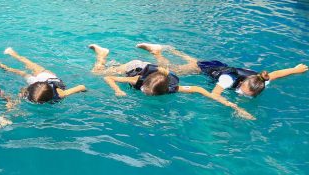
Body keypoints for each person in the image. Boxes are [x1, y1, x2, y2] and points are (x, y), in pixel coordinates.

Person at [88, 43, 254, 119]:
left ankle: (156, 51)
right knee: (98, 73)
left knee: (172, 69)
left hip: (153, 70)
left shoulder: (172, 87)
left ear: (164, 90)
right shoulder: (136, 80)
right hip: (136, 66)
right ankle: (102, 54)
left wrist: (234, 106)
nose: (145, 93)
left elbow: (199, 90)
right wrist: (118, 90)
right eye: (146, 91)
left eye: (148, 93)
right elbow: (109, 78)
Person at [129, 42, 308, 98]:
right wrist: (232, 107)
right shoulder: (227, 81)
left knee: (193, 62)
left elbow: (276, 74)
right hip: (211, 68)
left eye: (244, 94)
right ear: (242, 82)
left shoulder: (261, 80)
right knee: (174, 69)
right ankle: (158, 52)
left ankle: (170, 48)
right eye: (241, 91)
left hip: (218, 65)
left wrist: (296, 69)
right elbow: (215, 93)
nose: (240, 93)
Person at [0, 47, 86, 103]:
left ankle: (11, 55)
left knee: (27, 67)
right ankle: (2, 63)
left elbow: (81, 87)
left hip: (45, 78)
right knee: (24, 71)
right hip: (44, 79)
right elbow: (82, 86)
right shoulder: (60, 94)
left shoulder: (32, 90)